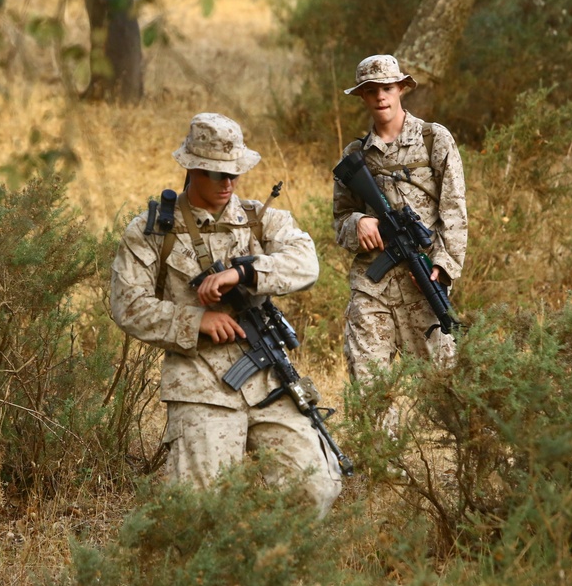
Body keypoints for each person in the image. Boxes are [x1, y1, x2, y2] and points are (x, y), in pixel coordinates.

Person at [111, 113, 343, 518]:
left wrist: (246, 272)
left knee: (315, 486)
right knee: (200, 508)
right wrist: (195, 320)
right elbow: (126, 304)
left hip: (268, 380)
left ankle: (271, 567)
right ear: (192, 169)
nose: (229, 183)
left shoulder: (260, 218)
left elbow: (307, 263)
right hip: (201, 384)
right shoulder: (151, 230)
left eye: (235, 173)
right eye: (218, 174)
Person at [333, 54, 468, 386]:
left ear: (401, 90)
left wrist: (443, 266)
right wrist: (360, 223)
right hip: (371, 286)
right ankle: (378, 442)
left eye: (388, 88)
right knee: (371, 391)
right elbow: (340, 218)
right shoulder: (355, 156)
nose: (381, 96)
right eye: (372, 90)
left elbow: (454, 210)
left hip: (422, 280)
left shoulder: (433, 139)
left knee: (445, 387)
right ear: (363, 96)